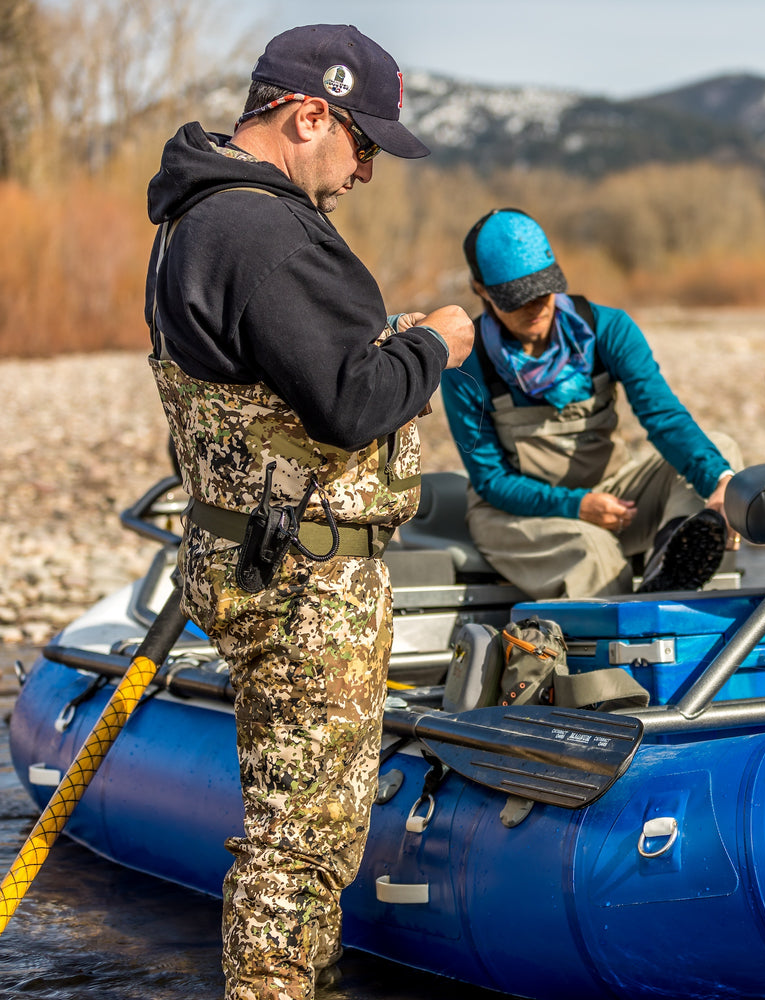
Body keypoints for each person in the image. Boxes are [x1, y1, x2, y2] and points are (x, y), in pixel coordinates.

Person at [143, 24, 475, 1000]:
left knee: (285, 827)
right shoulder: (267, 230)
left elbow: (290, 369)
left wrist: (381, 340)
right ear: (308, 112)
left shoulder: (196, 219)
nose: (367, 169)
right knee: (302, 848)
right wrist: (438, 343)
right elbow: (351, 401)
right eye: (362, 142)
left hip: (246, 560)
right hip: (305, 585)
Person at [441, 208, 742, 599]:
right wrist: (577, 505)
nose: (535, 306)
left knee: (720, 455)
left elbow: (663, 417)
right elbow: (490, 480)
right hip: (513, 513)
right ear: (480, 289)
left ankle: (669, 574)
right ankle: (624, 639)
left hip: (615, 494)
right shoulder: (466, 363)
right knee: (594, 552)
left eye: (543, 288)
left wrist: (720, 482)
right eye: (517, 298)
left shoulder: (609, 329)